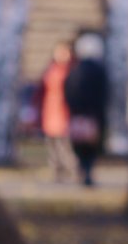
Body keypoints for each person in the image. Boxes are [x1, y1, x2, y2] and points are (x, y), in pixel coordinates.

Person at [63, 32, 109, 186]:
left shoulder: (75, 69)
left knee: (80, 146)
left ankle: (83, 171)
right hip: (93, 115)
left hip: (77, 115)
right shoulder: (98, 70)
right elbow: (103, 94)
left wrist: (74, 110)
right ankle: (87, 172)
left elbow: (68, 92)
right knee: (91, 147)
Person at [37, 40, 76, 182]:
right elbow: (41, 92)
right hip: (50, 111)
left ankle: (72, 170)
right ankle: (57, 171)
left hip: (64, 111)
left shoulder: (71, 71)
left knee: (65, 145)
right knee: (52, 145)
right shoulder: (50, 70)